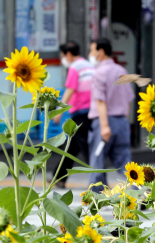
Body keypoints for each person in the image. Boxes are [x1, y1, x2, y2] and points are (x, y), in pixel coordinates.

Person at [87, 38, 134, 192]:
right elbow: (128, 99)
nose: (91, 54)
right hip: (121, 122)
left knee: (97, 160)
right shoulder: (121, 71)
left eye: (92, 51)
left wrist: (105, 126)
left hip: (103, 122)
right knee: (125, 162)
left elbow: (100, 101)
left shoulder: (99, 73)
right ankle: (136, 191)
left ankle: (96, 197)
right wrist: (123, 121)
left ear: (101, 52)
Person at [52, 41, 96, 188]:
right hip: (91, 111)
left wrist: (59, 112)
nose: (63, 59)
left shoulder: (75, 67)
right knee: (71, 147)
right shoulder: (89, 65)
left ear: (69, 54)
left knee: (86, 149)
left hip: (80, 112)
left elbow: (70, 90)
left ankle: (98, 178)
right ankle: (59, 178)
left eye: (63, 55)